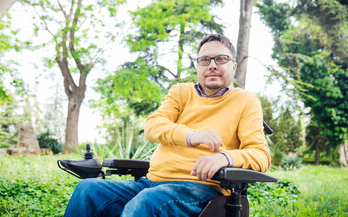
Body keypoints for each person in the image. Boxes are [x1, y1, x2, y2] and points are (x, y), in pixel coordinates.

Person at [64, 34, 271, 217]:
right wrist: (193, 135)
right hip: (150, 182)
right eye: (205, 60)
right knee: (87, 190)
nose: (212, 65)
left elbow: (261, 155)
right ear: (198, 66)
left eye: (221, 59)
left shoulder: (245, 101)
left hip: (200, 189)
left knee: (148, 202)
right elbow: (153, 126)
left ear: (233, 66)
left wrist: (224, 157)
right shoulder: (181, 92)